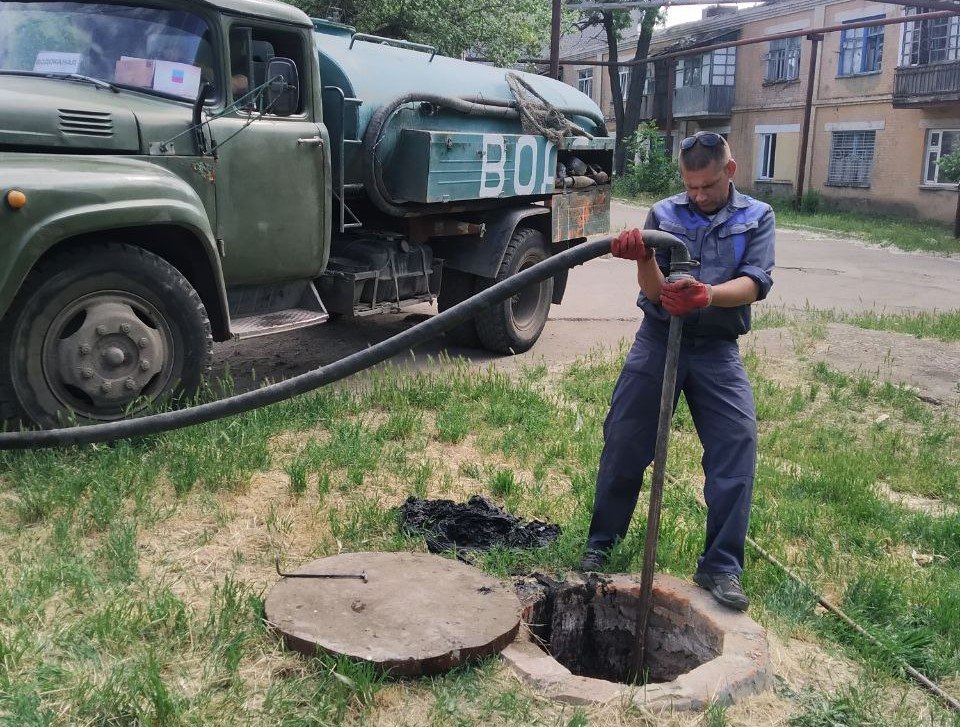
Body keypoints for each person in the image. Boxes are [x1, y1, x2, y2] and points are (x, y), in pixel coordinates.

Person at [580, 131, 775, 612]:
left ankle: (720, 566)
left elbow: (755, 283)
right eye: (691, 187)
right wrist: (645, 257)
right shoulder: (664, 214)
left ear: (729, 172)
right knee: (625, 437)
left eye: (707, 186)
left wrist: (707, 295)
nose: (699, 195)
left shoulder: (757, 216)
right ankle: (600, 544)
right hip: (659, 339)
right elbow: (653, 289)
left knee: (737, 444)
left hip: (716, 348)